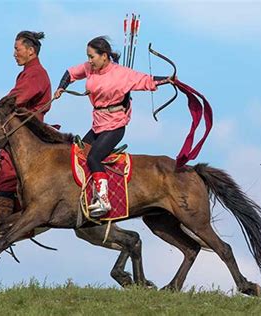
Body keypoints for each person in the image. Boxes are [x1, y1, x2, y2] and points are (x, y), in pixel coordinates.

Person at [54, 36, 172, 218]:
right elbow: (70, 73)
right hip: (98, 124)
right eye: (88, 56)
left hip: (115, 126)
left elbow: (146, 80)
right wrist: (61, 87)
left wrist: (169, 79)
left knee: (94, 158)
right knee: (78, 154)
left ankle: (103, 200)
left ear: (104, 56)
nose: (89, 61)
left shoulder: (122, 74)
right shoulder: (90, 68)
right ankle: (86, 195)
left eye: (92, 56)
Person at [0, 31, 52, 244]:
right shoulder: (30, 72)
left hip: (26, 136)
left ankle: (1, 232)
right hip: (19, 134)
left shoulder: (35, 73)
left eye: (17, 49)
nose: (14, 54)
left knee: (6, 178)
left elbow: (16, 100)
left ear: (31, 50)